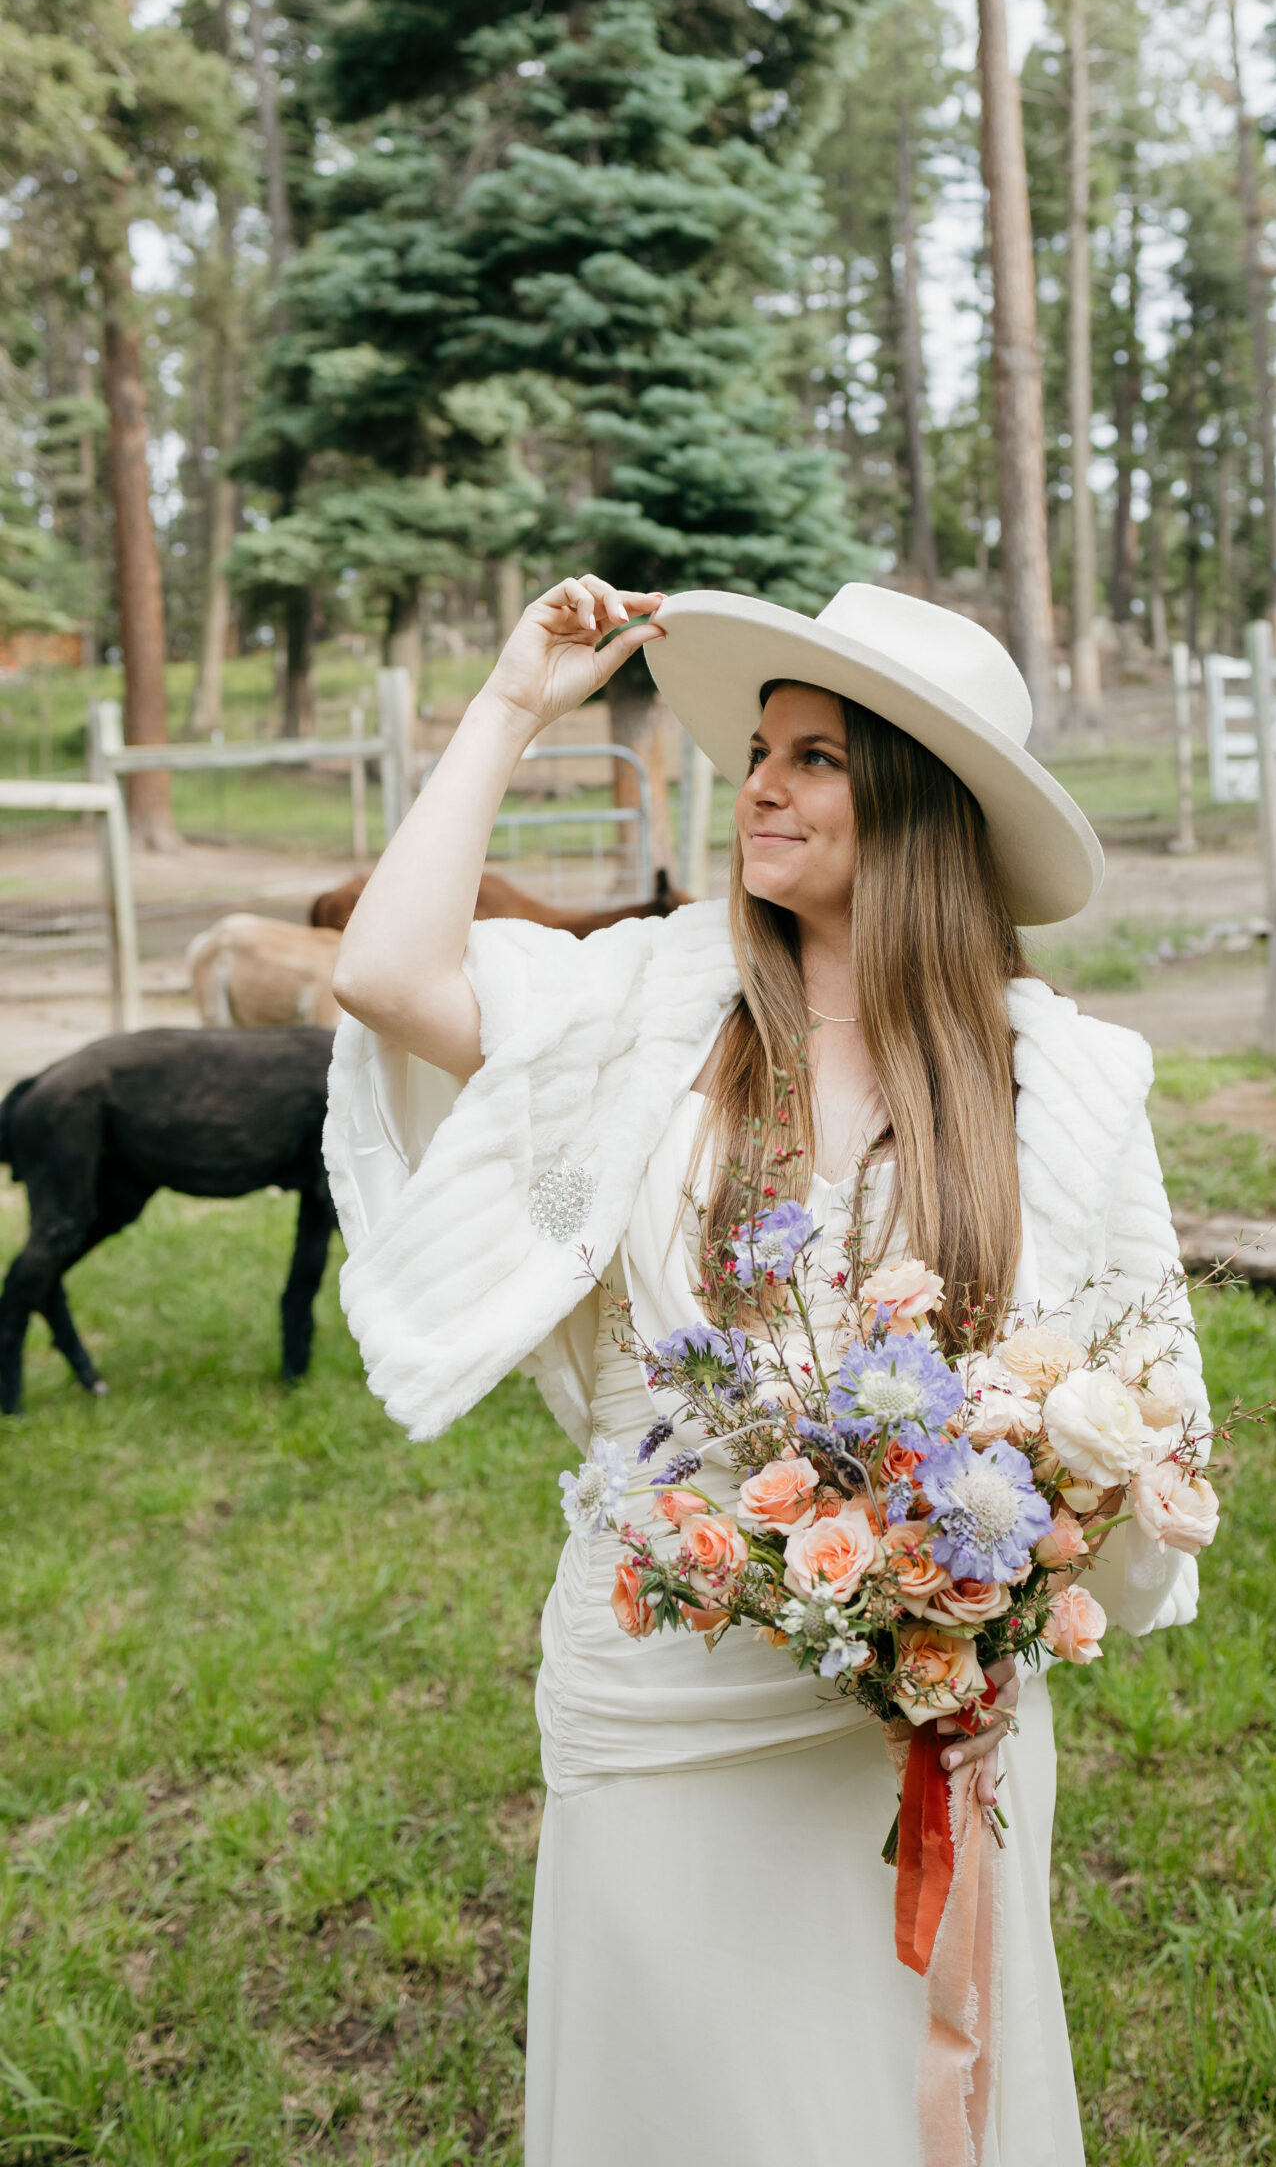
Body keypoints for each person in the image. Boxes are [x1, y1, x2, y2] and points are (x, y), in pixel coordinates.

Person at [326, 574, 1205, 2167]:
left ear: (919, 811)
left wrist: (1016, 1545)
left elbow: (1150, 1412)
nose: (764, 785)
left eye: (817, 759)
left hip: (919, 1709)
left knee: (889, 2097)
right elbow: (387, 978)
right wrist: (514, 704)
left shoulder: (1060, 1079)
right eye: (760, 751)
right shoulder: (654, 1002)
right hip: (657, 1675)